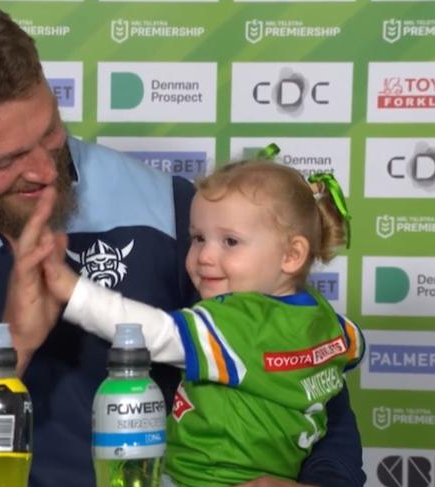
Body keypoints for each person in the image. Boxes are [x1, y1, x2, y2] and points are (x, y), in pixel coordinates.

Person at [0, 0, 365, 486]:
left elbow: (296, 365)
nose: (42, 172)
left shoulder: (170, 207)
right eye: (2, 161)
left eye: (48, 133)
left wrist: (326, 481)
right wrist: (10, 351)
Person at [39, 161, 365, 486]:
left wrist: (71, 290)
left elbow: (148, 332)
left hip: (197, 479)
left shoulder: (234, 322)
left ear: (291, 255)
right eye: (197, 238)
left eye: (230, 242)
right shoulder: (327, 321)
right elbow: (356, 348)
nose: (205, 256)